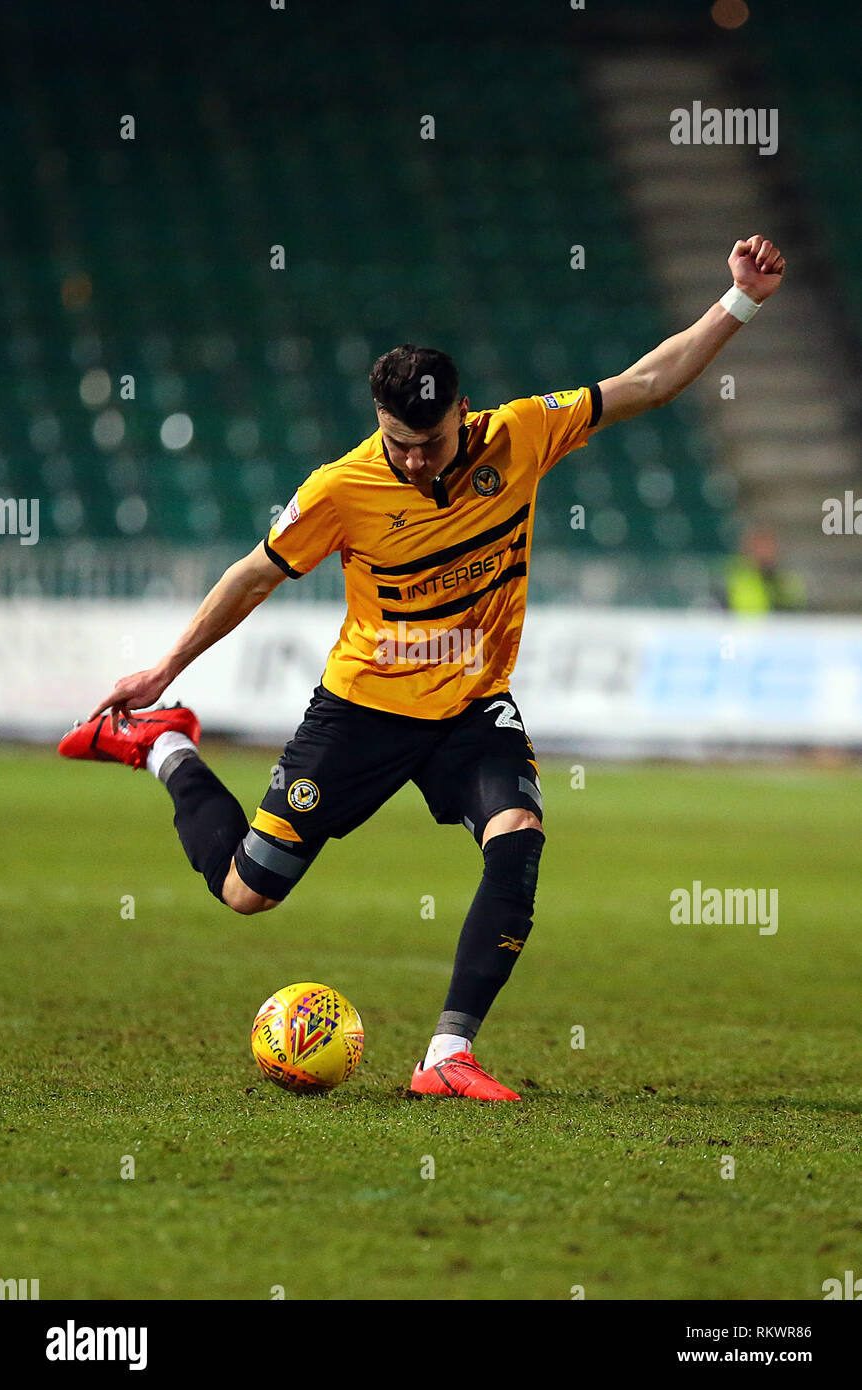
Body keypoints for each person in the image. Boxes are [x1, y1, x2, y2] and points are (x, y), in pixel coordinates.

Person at [59, 235, 786, 1100]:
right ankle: (163, 745)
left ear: (464, 414)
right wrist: (163, 669)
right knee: (247, 890)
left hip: (473, 707)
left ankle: (446, 1056)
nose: (414, 458)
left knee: (518, 837)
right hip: (362, 709)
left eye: (431, 442)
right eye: (399, 441)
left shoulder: (520, 435)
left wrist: (738, 299)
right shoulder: (341, 489)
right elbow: (253, 573)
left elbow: (650, 381)